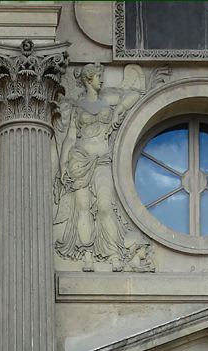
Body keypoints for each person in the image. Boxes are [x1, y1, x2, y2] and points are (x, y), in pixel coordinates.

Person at [54, 63, 148, 272]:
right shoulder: (78, 106)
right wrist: (62, 166)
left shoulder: (108, 100)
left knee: (105, 206)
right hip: (79, 159)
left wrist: (117, 113)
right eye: (98, 76)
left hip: (102, 160)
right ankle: (87, 253)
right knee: (83, 208)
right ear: (88, 79)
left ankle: (113, 253)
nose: (102, 80)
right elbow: (70, 138)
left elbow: (134, 94)